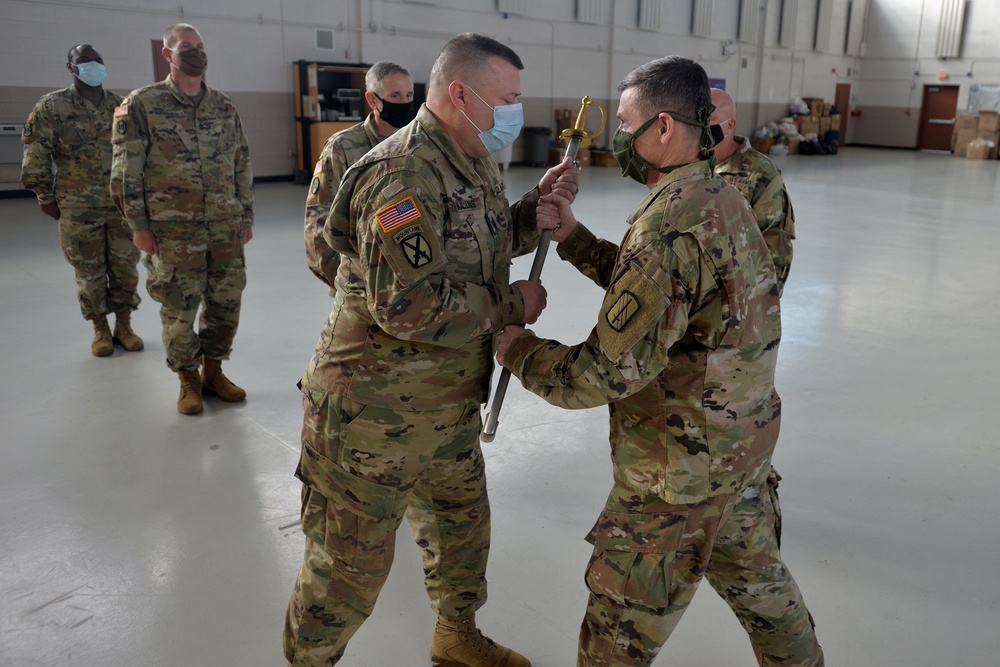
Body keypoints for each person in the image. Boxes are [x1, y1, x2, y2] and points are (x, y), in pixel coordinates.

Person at [496, 56, 824, 666]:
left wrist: (516, 347)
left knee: (614, 643)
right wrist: (575, 240)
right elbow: (674, 299)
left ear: (665, 127)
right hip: (739, 453)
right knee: (769, 602)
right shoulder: (722, 197)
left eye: (626, 123)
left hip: (674, 479)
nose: (619, 138)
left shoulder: (669, 224)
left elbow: (602, 374)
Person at [283, 32, 579, 667]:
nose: (514, 113)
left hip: (445, 407)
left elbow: (481, 243)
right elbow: (408, 306)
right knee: (346, 573)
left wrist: (536, 210)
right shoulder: (400, 174)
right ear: (461, 93)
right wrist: (512, 308)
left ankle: (455, 635)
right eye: (508, 99)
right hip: (372, 416)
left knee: (461, 534)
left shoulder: (468, 155)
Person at [110, 23, 254, 415]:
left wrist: (246, 214)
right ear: (167, 54)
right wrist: (138, 224)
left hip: (225, 225)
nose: (195, 52)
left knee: (226, 302)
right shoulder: (141, 104)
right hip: (171, 231)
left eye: (201, 46)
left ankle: (214, 371)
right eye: (186, 46)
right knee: (179, 307)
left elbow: (241, 163)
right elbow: (126, 170)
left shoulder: (224, 106)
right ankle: (187, 378)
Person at [21, 44, 143, 357]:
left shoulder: (120, 105)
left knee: (125, 267)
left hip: (120, 205)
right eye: (84, 61)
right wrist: (44, 195)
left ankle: (125, 325)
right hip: (76, 204)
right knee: (89, 271)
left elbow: (136, 153)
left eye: (97, 60)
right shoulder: (52, 105)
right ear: (70, 67)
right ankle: (100, 328)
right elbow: (36, 151)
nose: (92, 66)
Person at [304, 61, 416, 290]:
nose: (404, 103)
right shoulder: (343, 147)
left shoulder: (418, 144)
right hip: (361, 284)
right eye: (395, 96)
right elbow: (319, 223)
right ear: (372, 100)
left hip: (413, 278)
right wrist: (348, 283)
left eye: (409, 95)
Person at [709, 88, 795, 296]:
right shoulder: (691, 163)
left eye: (709, 121)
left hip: (736, 299)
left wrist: (757, 307)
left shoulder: (760, 173)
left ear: (729, 125)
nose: (701, 128)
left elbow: (775, 250)